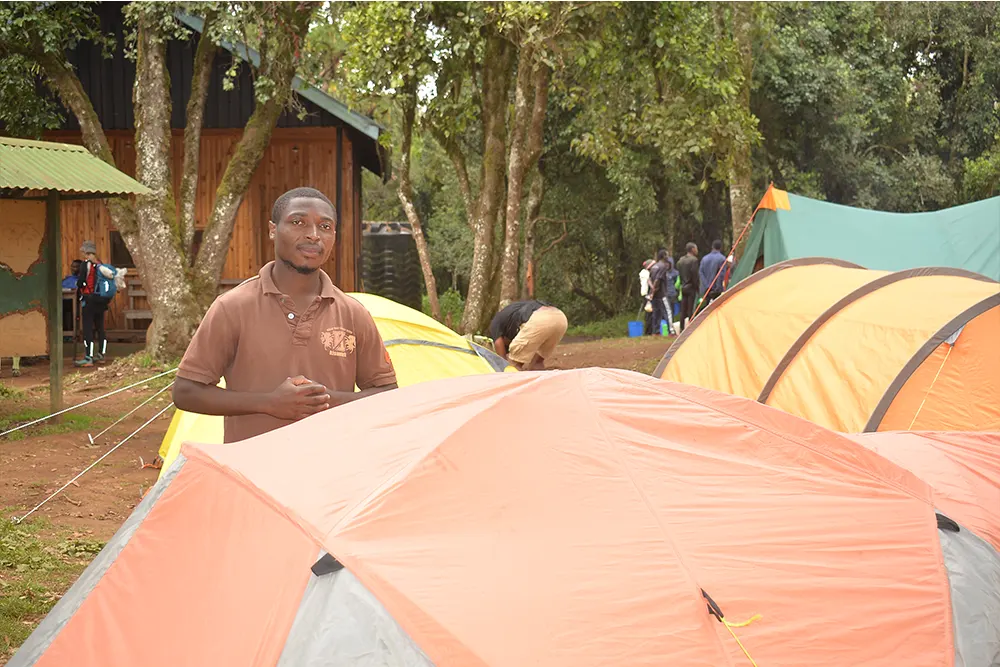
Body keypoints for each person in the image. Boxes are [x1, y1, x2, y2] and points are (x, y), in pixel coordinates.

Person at [172, 187, 398, 443]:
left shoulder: (353, 313)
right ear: (272, 230)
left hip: (333, 472)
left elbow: (387, 393)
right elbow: (185, 392)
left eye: (325, 226)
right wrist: (269, 403)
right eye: (298, 222)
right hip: (250, 473)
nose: (313, 235)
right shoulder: (232, 307)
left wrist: (327, 400)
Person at [490, 300, 568, 371]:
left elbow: (499, 347)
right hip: (560, 318)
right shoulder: (512, 315)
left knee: (513, 365)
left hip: (540, 318)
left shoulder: (495, 323)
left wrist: (504, 368)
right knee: (537, 362)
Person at [75, 242, 111, 367]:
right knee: (100, 328)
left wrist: (79, 286)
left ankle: (88, 357)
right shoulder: (101, 265)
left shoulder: (86, 265)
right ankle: (102, 355)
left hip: (89, 300)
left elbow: (80, 282)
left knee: (88, 328)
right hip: (101, 300)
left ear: (86, 252)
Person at [647, 249, 672, 336]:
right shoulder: (663, 266)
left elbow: (649, 279)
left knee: (656, 313)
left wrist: (651, 291)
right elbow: (658, 279)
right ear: (664, 256)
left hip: (654, 295)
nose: (668, 257)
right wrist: (654, 288)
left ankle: (656, 331)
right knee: (667, 312)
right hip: (661, 294)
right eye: (667, 255)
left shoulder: (654, 266)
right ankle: (671, 331)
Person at [676, 242, 699, 331]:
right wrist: (697, 286)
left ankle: (682, 328)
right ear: (692, 249)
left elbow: (680, 275)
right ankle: (691, 328)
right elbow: (695, 275)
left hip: (683, 287)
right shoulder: (694, 260)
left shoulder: (680, 261)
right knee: (691, 309)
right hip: (691, 287)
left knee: (683, 309)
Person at [699, 239, 727, 307]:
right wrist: (717, 288)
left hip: (706, 289)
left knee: (706, 307)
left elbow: (701, 272)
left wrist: (706, 286)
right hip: (716, 289)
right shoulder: (722, 259)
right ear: (721, 247)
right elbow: (721, 274)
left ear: (712, 247)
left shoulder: (704, 258)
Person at [639, 259, 655, 335]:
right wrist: (653, 288)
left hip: (645, 294)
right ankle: (649, 331)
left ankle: (649, 331)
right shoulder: (646, 273)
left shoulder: (643, 273)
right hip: (647, 295)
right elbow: (649, 281)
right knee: (649, 313)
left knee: (648, 313)